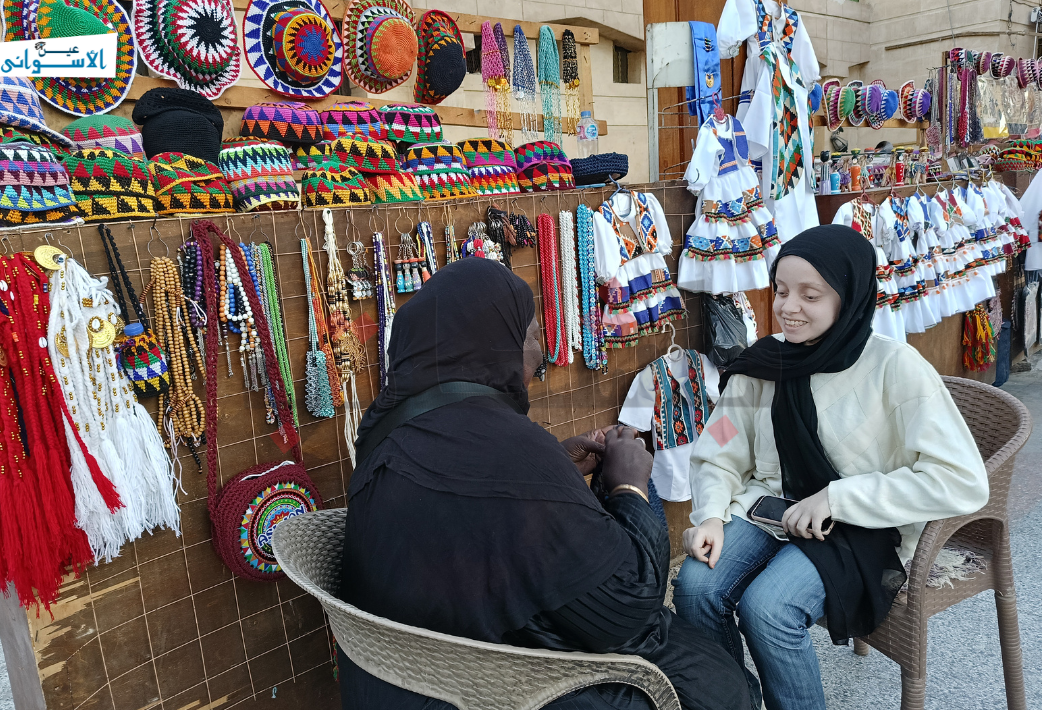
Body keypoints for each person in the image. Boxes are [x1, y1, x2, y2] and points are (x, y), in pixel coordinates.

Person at [340, 258, 750, 710]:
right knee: (718, 682)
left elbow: (477, 508)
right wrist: (629, 486)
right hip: (498, 686)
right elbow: (626, 608)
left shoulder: (383, 432)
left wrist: (553, 468)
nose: (540, 356)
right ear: (493, 346)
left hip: (403, 677)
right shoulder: (507, 451)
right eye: (532, 335)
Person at [673, 225, 989, 710]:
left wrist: (839, 498)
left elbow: (961, 478)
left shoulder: (895, 368)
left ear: (850, 298)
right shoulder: (764, 363)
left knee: (769, 608)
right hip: (770, 506)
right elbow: (717, 447)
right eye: (780, 290)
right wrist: (711, 513)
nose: (787, 307)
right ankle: (732, 700)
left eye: (810, 294)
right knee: (695, 588)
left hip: (862, 525)